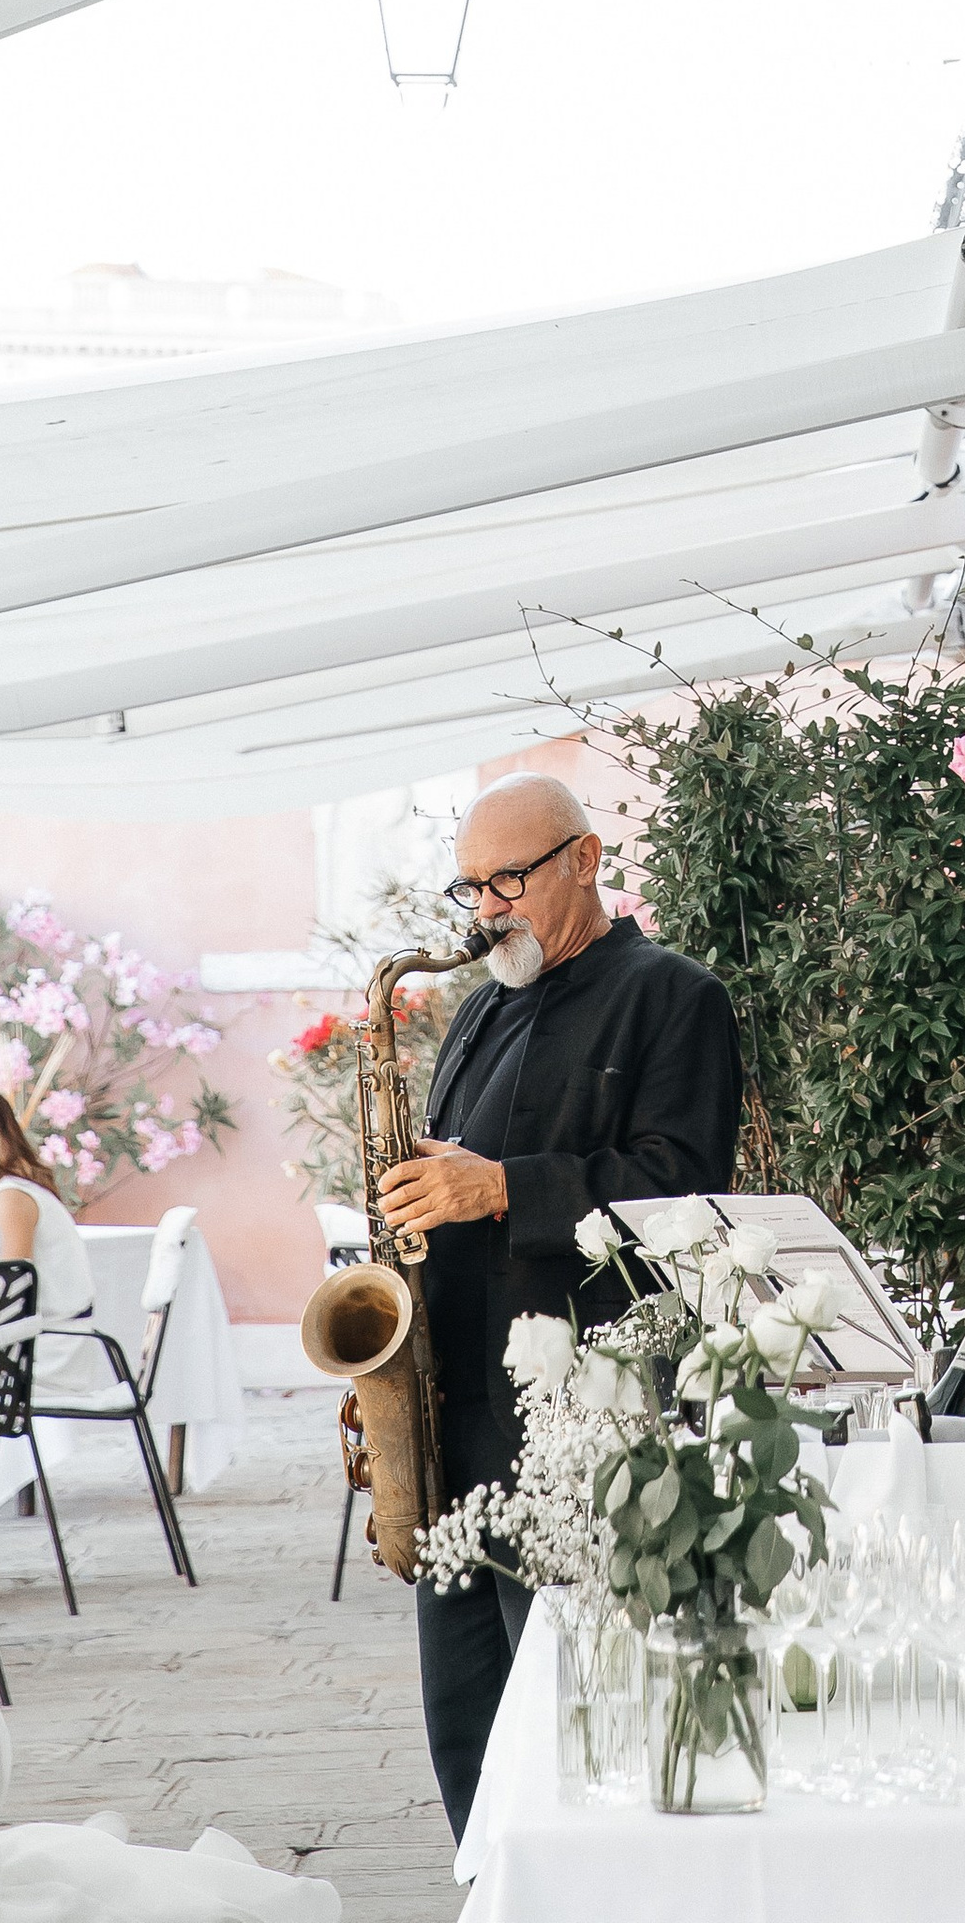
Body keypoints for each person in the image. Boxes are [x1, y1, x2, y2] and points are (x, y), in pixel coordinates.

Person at [375, 773, 743, 1839]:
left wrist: (498, 1185)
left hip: (581, 1414)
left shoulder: (674, 995)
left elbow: (683, 1187)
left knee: (574, 1703)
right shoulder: (481, 1004)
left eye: (509, 879)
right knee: (465, 1721)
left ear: (585, 859)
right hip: (454, 1407)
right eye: (471, 887)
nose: (488, 908)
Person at [0, 1083, 99, 1399]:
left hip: (50, 1352)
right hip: (49, 1342)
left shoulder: (11, 1197)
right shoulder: (11, 1190)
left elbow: (9, 1293)